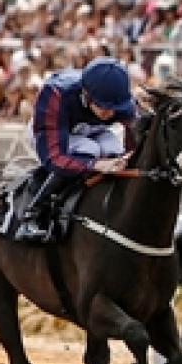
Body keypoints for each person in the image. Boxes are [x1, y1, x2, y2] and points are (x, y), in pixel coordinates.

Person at [16, 57, 137, 242]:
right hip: (53, 132)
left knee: (113, 147)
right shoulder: (57, 93)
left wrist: (129, 155)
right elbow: (54, 157)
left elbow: (133, 137)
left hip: (90, 128)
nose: (111, 113)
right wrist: (94, 165)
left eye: (116, 108)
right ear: (87, 94)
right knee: (91, 149)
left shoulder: (120, 99)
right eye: (104, 106)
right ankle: (33, 212)